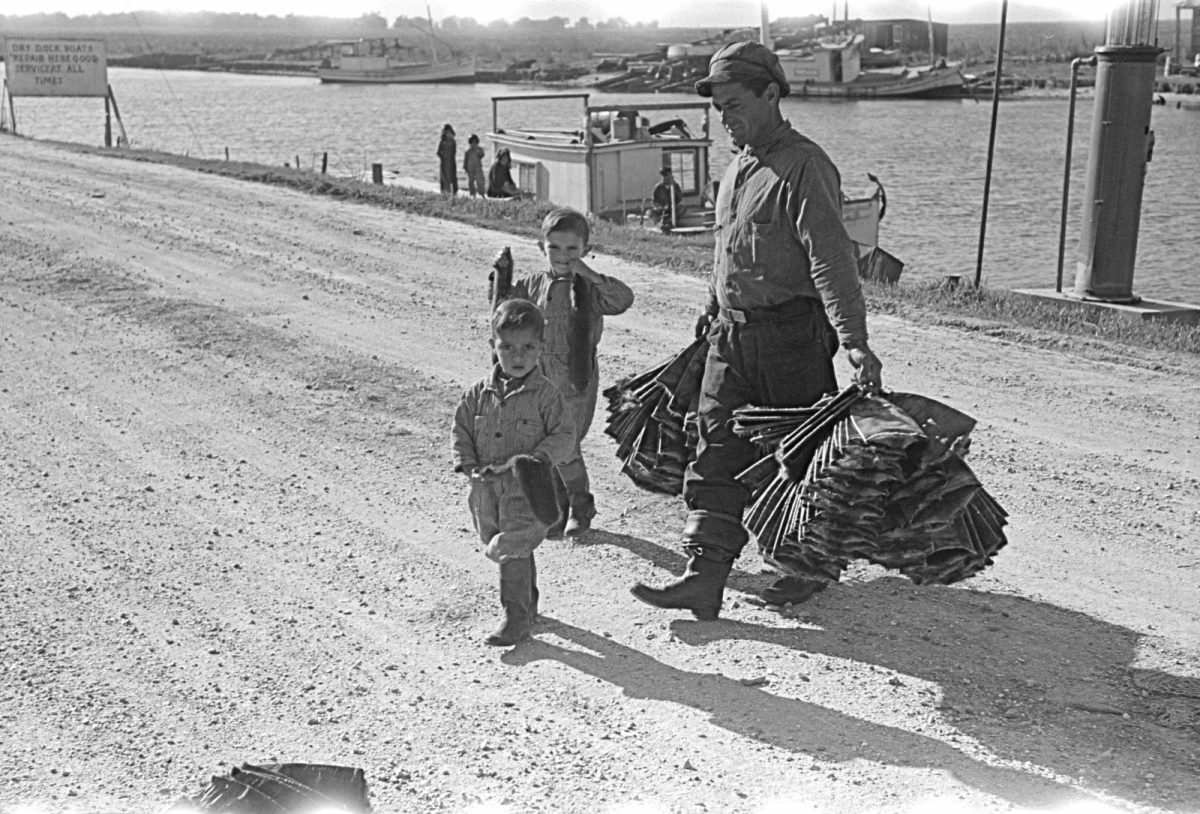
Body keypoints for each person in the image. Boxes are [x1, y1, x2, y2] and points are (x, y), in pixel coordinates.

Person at [630, 40, 884, 619]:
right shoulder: (736, 169)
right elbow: (728, 250)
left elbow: (831, 261)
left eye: (735, 104)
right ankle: (703, 575)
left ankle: (806, 565)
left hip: (792, 338)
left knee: (796, 460)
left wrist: (854, 342)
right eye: (720, 108)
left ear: (772, 94)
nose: (726, 118)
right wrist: (712, 303)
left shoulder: (805, 166)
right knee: (713, 446)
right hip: (731, 336)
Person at [499, 207, 635, 538]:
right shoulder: (532, 286)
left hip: (575, 379)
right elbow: (502, 318)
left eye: (572, 249)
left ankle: (581, 504)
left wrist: (589, 274)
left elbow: (623, 299)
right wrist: (500, 282)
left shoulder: (589, 288)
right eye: (555, 248)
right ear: (540, 247)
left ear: (586, 250)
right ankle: (556, 508)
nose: (563, 256)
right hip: (538, 377)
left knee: (564, 446)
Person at [452, 298, 576, 646]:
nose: (517, 356)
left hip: (528, 488)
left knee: (510, 548)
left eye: (527, 348)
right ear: (493, 345)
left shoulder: (547, 396)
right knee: (507, 544)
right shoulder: (478, 394)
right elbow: (461, 428)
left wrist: (537, 460)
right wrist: (467, 463)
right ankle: (530, 604)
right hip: (485, 490)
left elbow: (565, 435)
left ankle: (515, 617)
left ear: (541, 348)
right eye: (507, 347)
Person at [437, 123, 458, 195]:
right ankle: (444, 192)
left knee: (452, 177)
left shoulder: (453, 141)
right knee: (444, 178)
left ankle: (453, 192)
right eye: (446, 132)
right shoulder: (442, 142)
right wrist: (442, 156)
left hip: (451, 162)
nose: (448, 134)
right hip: (444, 163)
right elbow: (438, 152)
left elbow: (454, 152)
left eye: (449, 132)